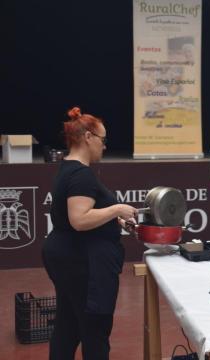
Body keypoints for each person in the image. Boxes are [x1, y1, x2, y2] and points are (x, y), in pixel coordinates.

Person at [42, 107, 138, 359]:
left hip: (67, 257)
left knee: (68, 326)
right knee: (94, 329)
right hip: (82, 263)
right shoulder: (81, 175)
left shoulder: (69, 168)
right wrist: (117, 208)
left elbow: (84, 214)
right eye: (103, 140)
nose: (104, 147)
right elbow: (79, 219)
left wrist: (113, 220)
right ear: (87, 137)